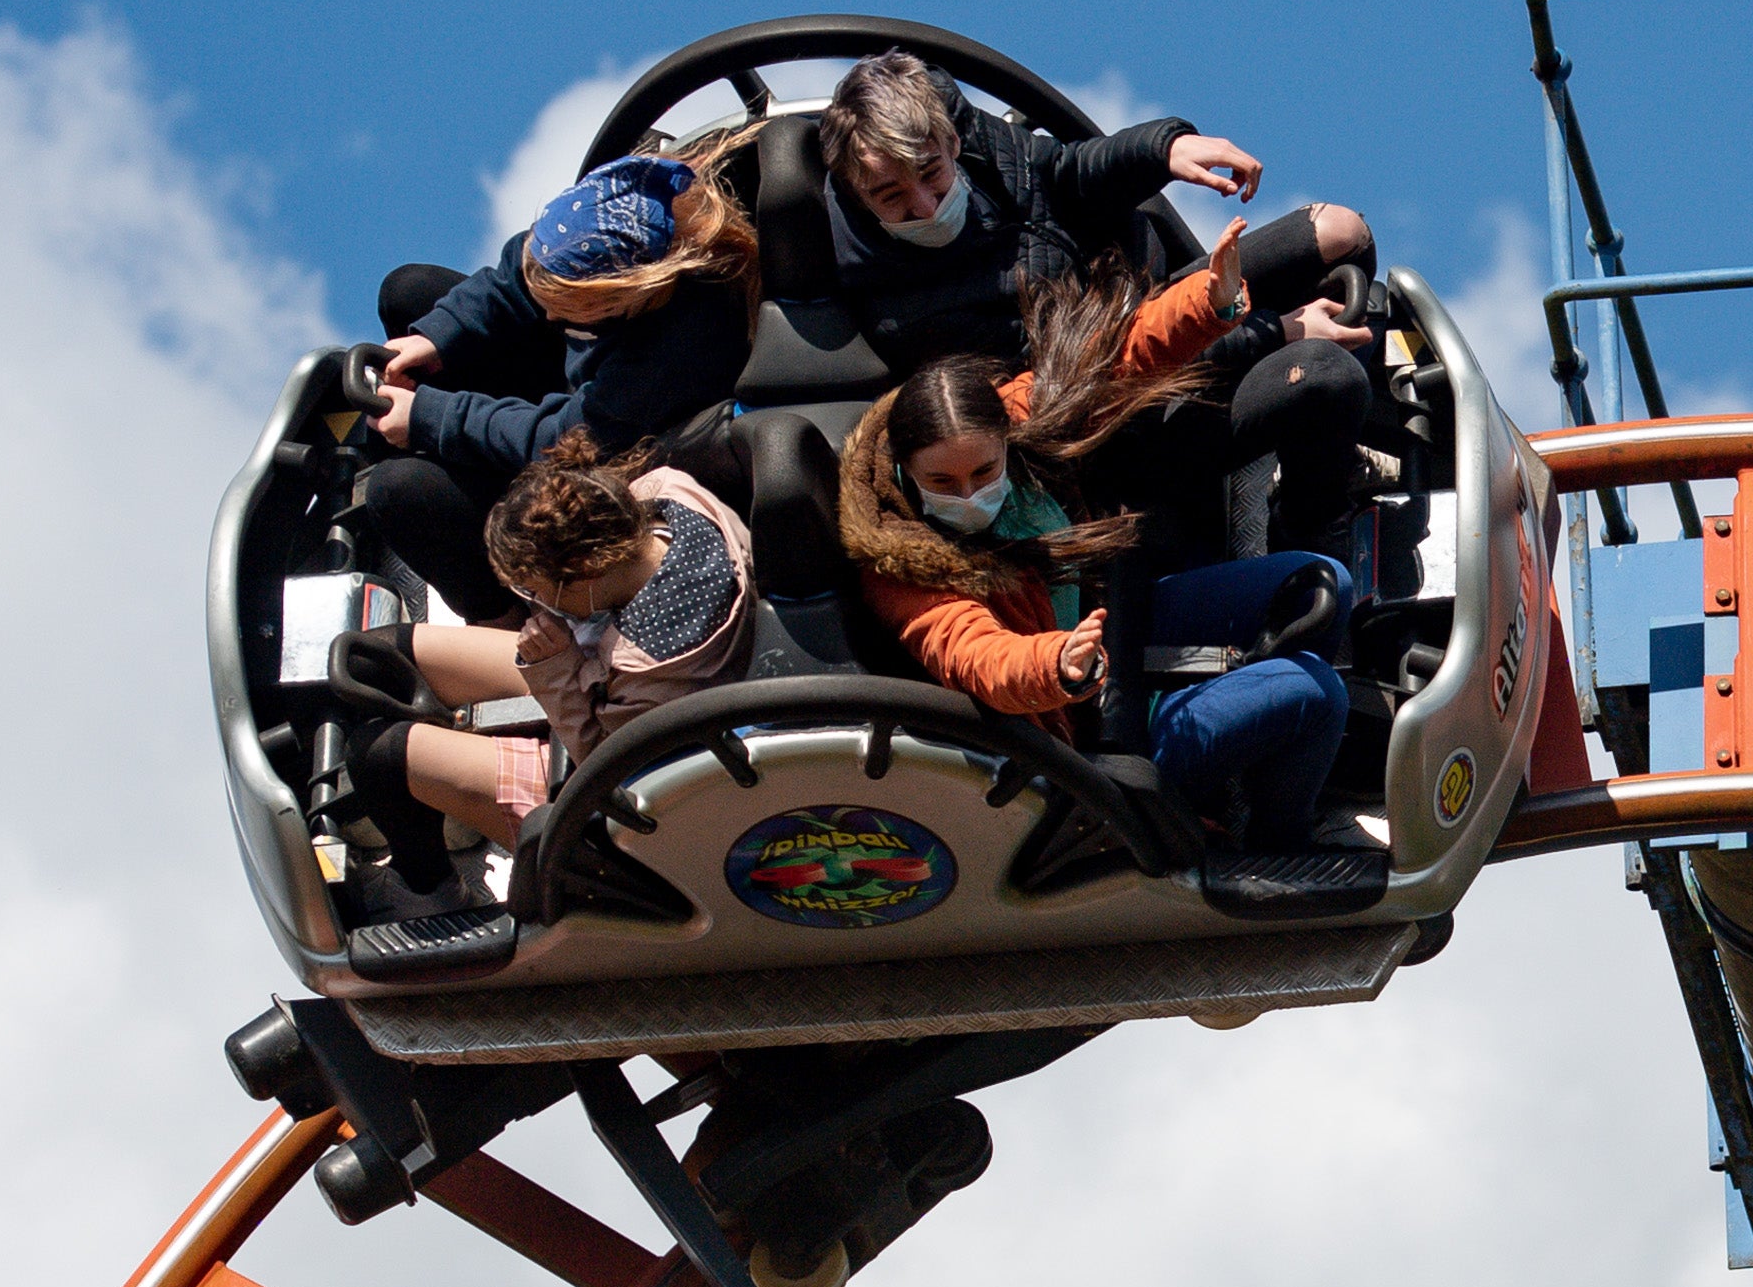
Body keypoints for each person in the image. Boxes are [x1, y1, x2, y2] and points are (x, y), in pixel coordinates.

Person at [835, 221, 1353, 855]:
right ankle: (1278, 843)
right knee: (1315, 692)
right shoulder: (899, 564)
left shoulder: (1023, 420)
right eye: (942, 481)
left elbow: (1120, 358)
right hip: (1078, 733)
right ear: (902, 473)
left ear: (1008, 439)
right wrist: (1057, 664)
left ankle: (1271, 762)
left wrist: (1210, 301)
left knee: (1321, 585)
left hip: (1117, 624)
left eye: (985, 472)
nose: (969, 494)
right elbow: (974, 655)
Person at [818, 52, 1381, 557]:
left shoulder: (980, 154)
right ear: (857, 195)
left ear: (952, 143)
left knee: (1341, 232)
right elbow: (1086, 384)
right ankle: (1312, 527)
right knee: (1324, 375)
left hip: (1145, 312)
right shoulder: (902, 311)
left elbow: (1060, 174)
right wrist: (1272, 332)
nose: (924, 203)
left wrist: (1166, 148)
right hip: (1116, 428)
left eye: (932, 173)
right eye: (891, 196)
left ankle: (1333, 447)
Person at [337, 432, 755, 915]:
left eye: (537, 590)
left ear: (585, 570)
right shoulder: (666, 492)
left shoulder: (648, 664)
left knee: (378, 756)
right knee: (378, 657)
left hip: (617, 766)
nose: (535, 603)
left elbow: (605, 766)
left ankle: (429, 889)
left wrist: (553, 668)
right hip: (606, 672)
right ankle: (447, 792)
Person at [348, 148, 759, 623]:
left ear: (623, 297)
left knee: (401, 490)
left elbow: (564, 436)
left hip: (606, 454)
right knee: (409, 291)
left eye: (566, 311)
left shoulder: (676, 354)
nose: (547, 317)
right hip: (588, 393)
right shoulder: (605, 231)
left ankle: (507, 622)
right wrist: (435, 338)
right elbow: (514, 282)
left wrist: (429, 417)